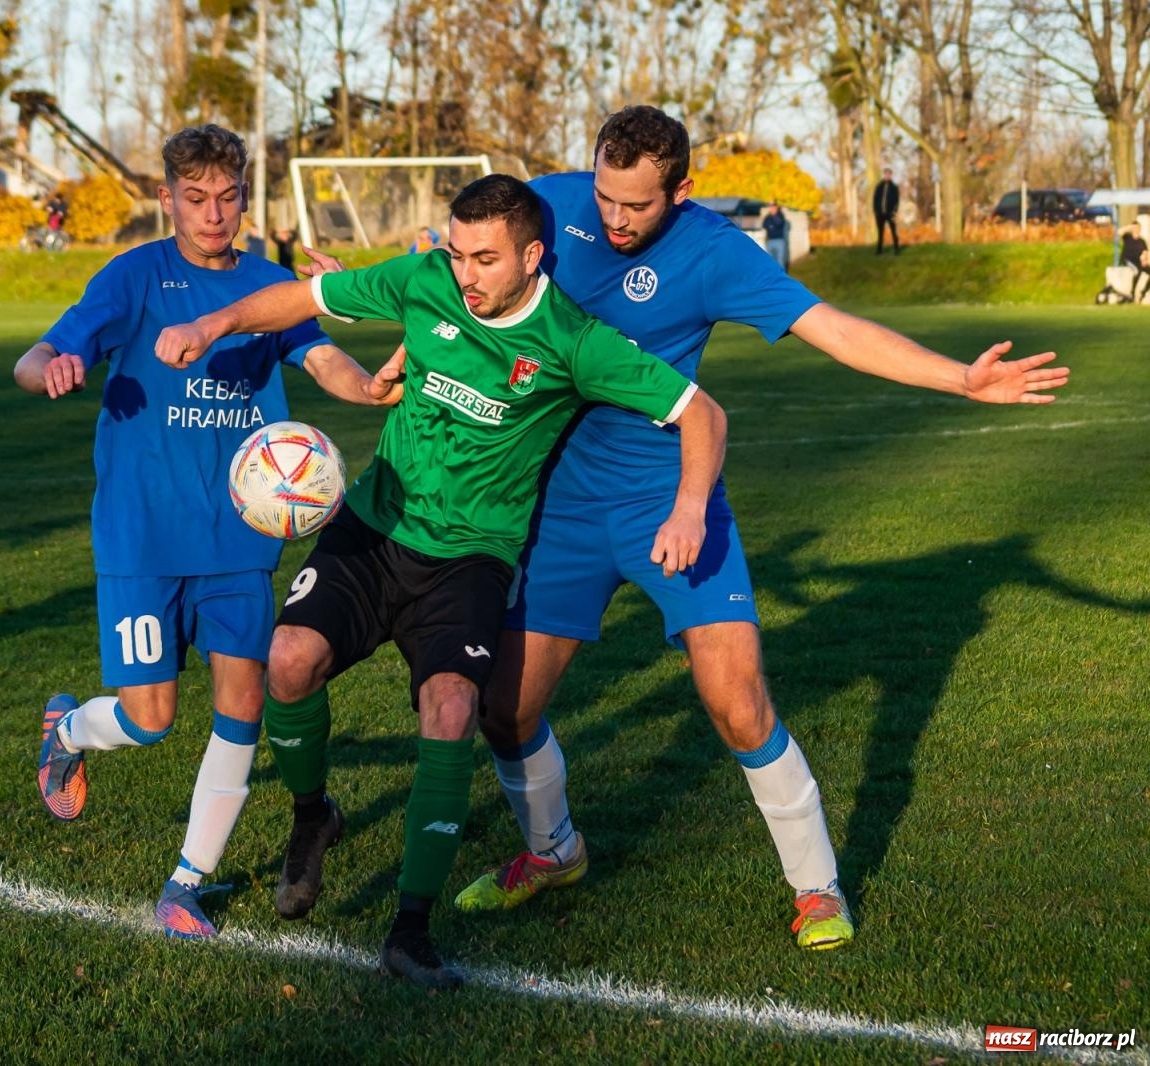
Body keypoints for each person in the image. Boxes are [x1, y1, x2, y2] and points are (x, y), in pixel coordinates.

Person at [436, 106, 1067, 952]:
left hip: (675, 497)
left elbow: (833, 329)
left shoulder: (715, 251)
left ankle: (817, 888)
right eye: (605, 196)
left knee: (737, 705)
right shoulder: (550, 205)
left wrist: (960, 379)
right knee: (504, 711)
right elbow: (457, 274)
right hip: (562, 507)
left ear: (682, 191)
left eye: (636, 205)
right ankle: (553, 853)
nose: (614, 218)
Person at [154, 173, 730, 988]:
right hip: (375, 525)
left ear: (532, 256)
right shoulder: (425, 280)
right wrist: (210, 323)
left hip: (471, 558)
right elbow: (303, 298)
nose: (465, 274)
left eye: (485, 259)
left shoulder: (573, 342)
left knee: (453, 709)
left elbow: (703, 412)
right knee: (287, 660)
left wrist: (690, 509)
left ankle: (411, 930)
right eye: (457, 253)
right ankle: (314, 816)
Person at [14, 125, 404, 942]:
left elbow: (318, 356)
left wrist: (367, 387)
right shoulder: (135, 277)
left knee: (243, 702)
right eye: (196, 198)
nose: (214, 213)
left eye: (228, 197)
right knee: (150, 717)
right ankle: (69, 730)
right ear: (168, 199)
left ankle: (185, 884)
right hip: (143, 536)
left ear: (244, 197)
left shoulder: (268, 285)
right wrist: (52, 368)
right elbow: (38, 354)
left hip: (239, 537)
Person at [1118, 222, 1149, 303]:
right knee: (1137, 271)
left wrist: (1144, 260)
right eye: (1135, 228)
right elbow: (1119, 232)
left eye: (1138, 228)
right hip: (1127, 260)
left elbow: (1145, 252)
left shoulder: (1142, 241)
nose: (1136, 229)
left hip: (1138, 262)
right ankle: (1132, 293)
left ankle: (1144, 291)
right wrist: (1129, 227)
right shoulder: (1127, 237)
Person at [872, 168, 900, 255]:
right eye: (886, 174)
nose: (887, 176)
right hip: (880, 213)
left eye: (889, 174)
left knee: (893, 231)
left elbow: (897, 201)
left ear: (891, 176)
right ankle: (879, 250)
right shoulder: (879, 187)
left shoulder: (894, 188)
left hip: (890, 213)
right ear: (884, 175)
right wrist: (876, 211)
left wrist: (894, 211)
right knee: (880, 232)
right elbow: (875, 199)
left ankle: (896, 249)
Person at [761, 202, 789, 270]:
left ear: (777, 207)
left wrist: (772, 222)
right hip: (770, 241)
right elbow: (764, 226)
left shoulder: (781, 216)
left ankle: (781, 276)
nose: (772, 208)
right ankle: (773, 276)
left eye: (773, 206)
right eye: (770, 206)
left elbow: (779, 223)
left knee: (780, 260)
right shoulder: (767, 217)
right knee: (771, 261)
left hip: (779, 241)